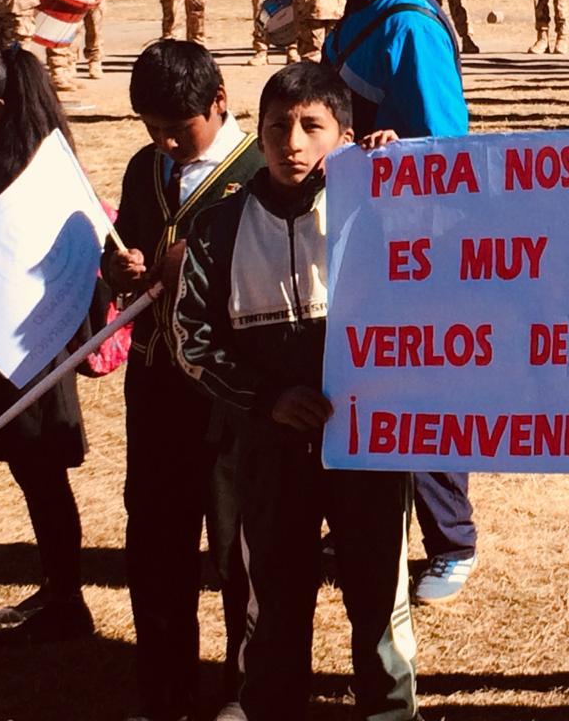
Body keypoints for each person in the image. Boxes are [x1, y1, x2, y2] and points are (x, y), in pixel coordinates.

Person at [175, 63, 418, 721]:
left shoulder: (379, 209)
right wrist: (265, 399)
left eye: (313, 126)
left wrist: (403, 180)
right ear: (257, 133)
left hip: (369, 447)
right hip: (268, 448)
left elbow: (447, 274)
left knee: (379, 593)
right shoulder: (219, 227)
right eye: (278, 126)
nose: (292, 142)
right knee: (275, 595)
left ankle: (390, 712)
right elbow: (192, 338)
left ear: (345, 137)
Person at [320, 0, 479, 603]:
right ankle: (365, 523)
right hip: (355, 239)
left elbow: (444, 148)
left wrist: (394, 152)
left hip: (414, 247)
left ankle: (451, 542)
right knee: (360, 381)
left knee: (424, 385)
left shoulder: (409, 24)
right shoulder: (362, 11)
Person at [104, 40, 261, 721]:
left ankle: (244, 691)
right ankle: (164, 693)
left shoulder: (261, 171)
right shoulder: (146, 167)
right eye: (152, 128)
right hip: (155, 385)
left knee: (237, 550)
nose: (166, 142)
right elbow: (124, 240)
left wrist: (194, 265)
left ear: (219, 102)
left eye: (178, 128)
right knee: (156, 542)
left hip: (230, 396)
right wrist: (121, 268)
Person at [0, 46, 94, 641]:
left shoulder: (27, 177)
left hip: (29, 350)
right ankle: (61, 592)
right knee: (35, 474)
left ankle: (66, 598)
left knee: (41, 474)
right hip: (2, 347)